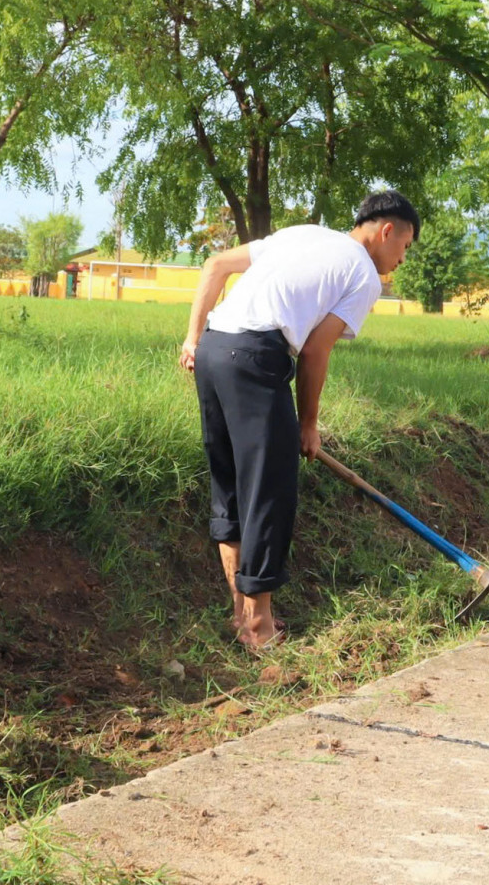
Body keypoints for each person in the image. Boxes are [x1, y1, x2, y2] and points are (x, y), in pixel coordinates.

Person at [179, 190, 417, 652]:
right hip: (254, 357)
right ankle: (260, 626)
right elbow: (314, 350)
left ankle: (241, 614)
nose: (402, 260)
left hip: (212, 351)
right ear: (387, 231)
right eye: (405, 247)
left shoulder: (304, 234)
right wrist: (308, 423)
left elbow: (215, 266)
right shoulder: (364, 274)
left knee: (230, 485)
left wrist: (192, 340)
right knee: (269, 492)